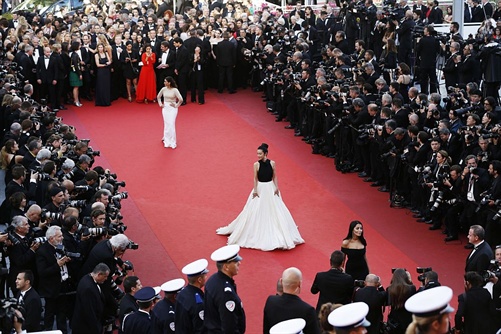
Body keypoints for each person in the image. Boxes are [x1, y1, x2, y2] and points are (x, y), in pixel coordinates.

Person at [216, 143, 304, 251]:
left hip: (271, 188)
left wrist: (277, 187)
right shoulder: (256, 165)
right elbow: (255, 178)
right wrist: (255, 190)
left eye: (260, 154)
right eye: (257, 154)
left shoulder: (272, 163)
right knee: (256, 210)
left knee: (275, 210)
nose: (258, 156)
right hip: (260, 189)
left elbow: (275, 176)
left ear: (265, 153)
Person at [263, 267, 320, 334]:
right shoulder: (308, 310)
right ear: (299, 284)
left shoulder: (271, 301)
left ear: (281, 282)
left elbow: (266, 330)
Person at [204, 245, 245, 333]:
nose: (239, 263)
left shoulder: (212, 280)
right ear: (226, 267)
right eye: (235, 261)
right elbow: (229, 327)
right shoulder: (226, 294)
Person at [71, 263, 110, 334]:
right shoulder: (88, 288)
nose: (106, 279)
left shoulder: (87, 278)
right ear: (99, 274)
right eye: (105, 276)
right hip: (85, 328)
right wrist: (96, 329)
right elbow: (89, 312)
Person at [175, 258, 209, 334]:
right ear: (199, 280)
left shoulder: (181, 294)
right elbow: (200, 329)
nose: (206, 278)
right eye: (205, 276)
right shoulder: (198, 303)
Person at [387, 268, 416, 334]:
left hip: (394, 319)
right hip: (407, 318)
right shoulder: (411, 288)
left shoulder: (389, 289)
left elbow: (388, 302)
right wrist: (410, 280)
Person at [157, 76, 183, 149]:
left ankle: (172, 141)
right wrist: (160, 104)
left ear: (169, 82)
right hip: (165, 108)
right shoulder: (163, 89)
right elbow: (158, 97)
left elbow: (181, 99)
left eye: (165, 81)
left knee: (171, 124)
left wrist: (176, 105)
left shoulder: (175, 90)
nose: (164, 82)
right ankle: (166, 138)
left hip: (172, 108)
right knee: (167, 123)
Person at [69, 41, 83, 107]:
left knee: (77, 87)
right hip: (75, 73)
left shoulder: (73, 53)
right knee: (76, 87)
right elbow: (75, 65)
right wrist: (79, 74)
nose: (80, 46)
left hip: (75, 72)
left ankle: (76, 100)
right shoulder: (74, 55)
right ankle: (76, 100)